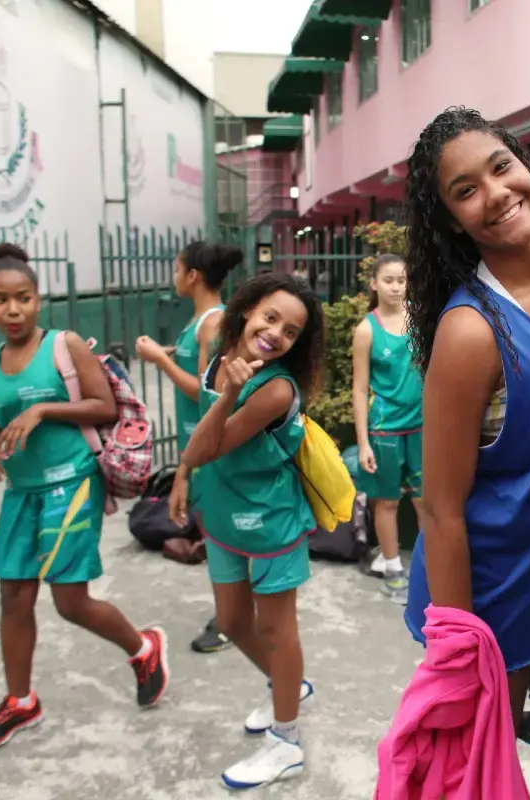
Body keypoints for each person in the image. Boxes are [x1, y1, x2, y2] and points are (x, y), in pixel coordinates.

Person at [399, 106, 530, 800]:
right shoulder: (471, 330)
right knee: (477, 781)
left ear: (528, 169)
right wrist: (461, 652)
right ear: (452, 220)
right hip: (488, 595)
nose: (494, 194)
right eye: (465, 190)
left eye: (500, 168)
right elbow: (439, 508)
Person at [0, 243, 169, 752]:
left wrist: (44, 411)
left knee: (69, 601)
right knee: (13, 595)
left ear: (39, 299)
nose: (13, 310)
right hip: (22, 491)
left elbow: (102, 405)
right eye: (0, 300)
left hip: (71, 482)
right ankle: (20, 702)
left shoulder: (64, 344)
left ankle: (144, 647)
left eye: (24, 298)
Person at [168, 272, 324, 788]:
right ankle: (286, 684)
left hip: (271, 518)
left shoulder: (276, 388)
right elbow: (197, 440)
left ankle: (286, 742)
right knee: (233, 623)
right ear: (248, 309)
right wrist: (183, 482)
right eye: (271, 317)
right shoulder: (216, 354)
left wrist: (225, 397)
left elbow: (203, 446)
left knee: (278, 630)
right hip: (222, 511)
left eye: (291, 332)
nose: (276, 333)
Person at [135, 240, 242, 654]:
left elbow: (204, 391)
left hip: (210, 449)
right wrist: (163, 352)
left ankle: (230, 618)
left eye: (177, 268)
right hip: (196, 446)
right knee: (213, 530)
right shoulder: (199, 321)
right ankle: (233, 611)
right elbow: (194, 362)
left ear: (193, 276)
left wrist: (161, 363)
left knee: (219, 533)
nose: (174, 275)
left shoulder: (212, 323)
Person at [352, 253, 424, 603]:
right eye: (390, 280)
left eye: (402, 280)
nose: (397, 287)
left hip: (423, 428)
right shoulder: (367, 330)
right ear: (374, 283)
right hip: (384, 432)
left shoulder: (420, 319)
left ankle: (429, 570)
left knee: (428, 503)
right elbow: (360, 388)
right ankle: (393, 568)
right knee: (387, 503)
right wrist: (363, 442)